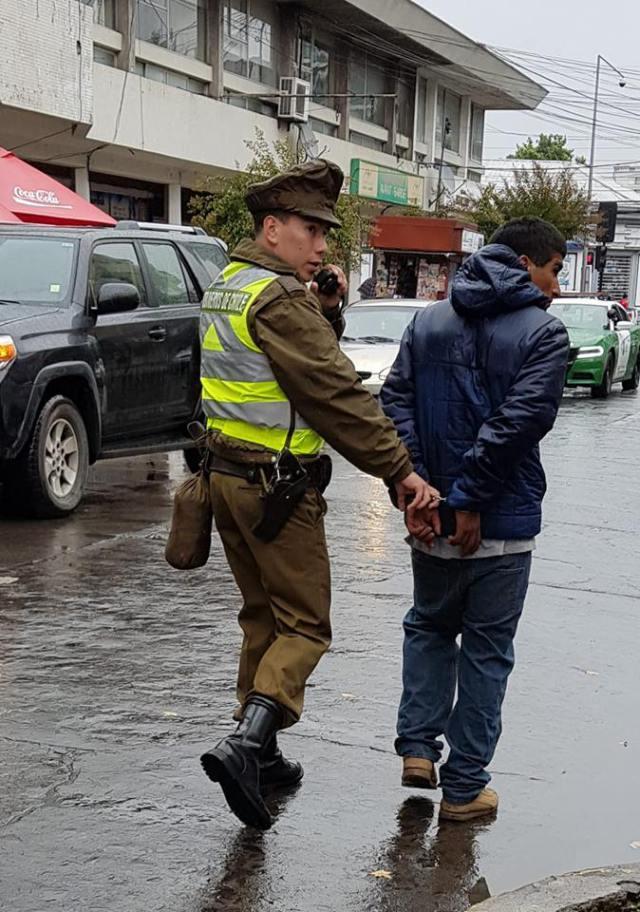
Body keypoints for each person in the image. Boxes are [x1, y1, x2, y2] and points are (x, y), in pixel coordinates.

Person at [198, 159, 437, 830]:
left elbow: (279, 371)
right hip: (276, 490)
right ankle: (247, 744)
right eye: (312, 229)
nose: (322, 245)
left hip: (225, 479)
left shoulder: (230, 284)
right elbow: (334, 394)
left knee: (263, 618)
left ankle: (265, 755)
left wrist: (326, 312)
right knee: (305, 626)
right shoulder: (278, 299)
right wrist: (399, 470)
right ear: (273, 228)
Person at [380, 217, 570, 822]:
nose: (557, 286)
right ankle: (464, 789)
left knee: (429, 627)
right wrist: (468, 502)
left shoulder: (429, 320)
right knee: (487, 651)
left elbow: (396, 403)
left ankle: (417, 747)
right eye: (554, 270)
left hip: (431, 518)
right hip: (500, 526)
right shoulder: (545, 333)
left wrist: (417, 491)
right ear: (524, 264)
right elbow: (517, 425)